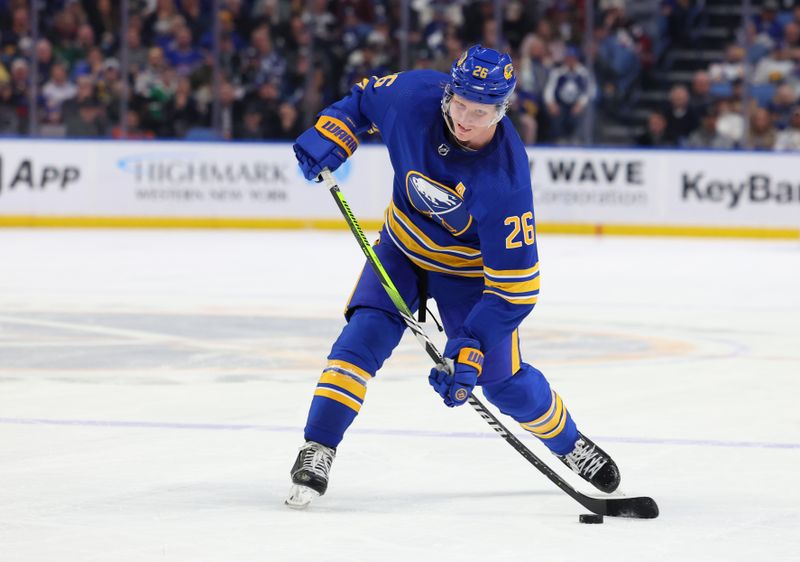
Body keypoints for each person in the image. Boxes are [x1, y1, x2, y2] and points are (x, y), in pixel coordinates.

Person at [286, 45, 621, 509]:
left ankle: (570, 443)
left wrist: (473, 343)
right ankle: (318, 446)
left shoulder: (506, 180)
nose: (464, 119)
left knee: (502, 381)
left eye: (480, 112)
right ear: (449, 91)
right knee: (361, 340)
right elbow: (362, 101)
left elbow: (516, 290)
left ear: (501, 111)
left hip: (467, 278)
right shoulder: (412, 95)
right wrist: (334, 131)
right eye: (460, 103)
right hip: (401, 250)